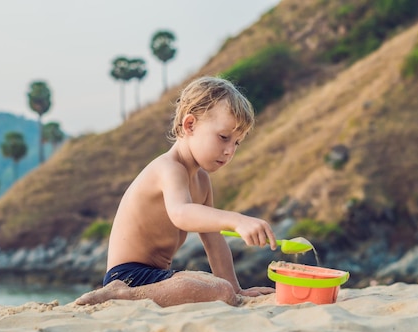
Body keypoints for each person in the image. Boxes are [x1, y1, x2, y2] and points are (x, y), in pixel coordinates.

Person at [75, 76, 277, 307]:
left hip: (155, 277)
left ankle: (226, 289)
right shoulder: (168, 168)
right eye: (223, 137)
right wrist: (236, 220)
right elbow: (181, 213)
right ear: (190, 125)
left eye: (237, 143)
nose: (230, 150)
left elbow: (213, 239)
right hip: (128, 277)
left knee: (222, 288)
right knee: (220, 290)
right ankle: (120, 295)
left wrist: (237, 289)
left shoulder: (201, 180)